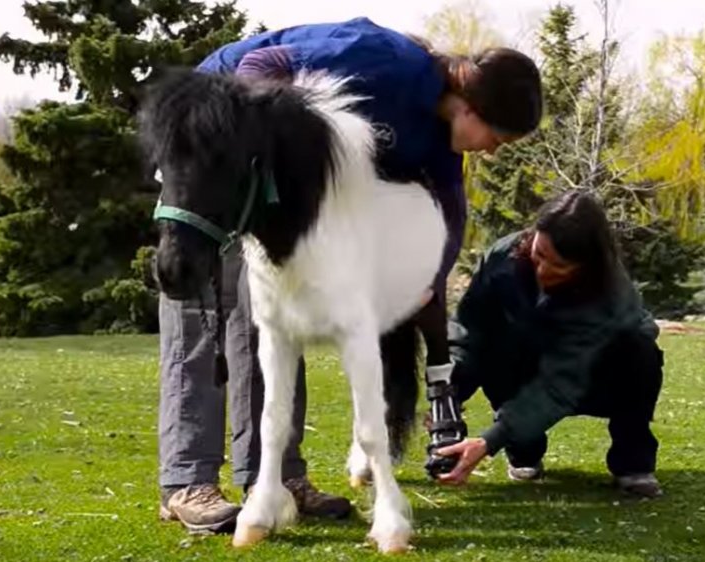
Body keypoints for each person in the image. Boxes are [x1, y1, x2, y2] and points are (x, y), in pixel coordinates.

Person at [157, 16, 543, 533]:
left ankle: (272, 479)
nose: (493, 150)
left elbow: (449, 212)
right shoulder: (383, 58)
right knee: (206, 308)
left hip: (278, 193)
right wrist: (267, 152)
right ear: (473, 106)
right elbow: (262, 66)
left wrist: (428, 278)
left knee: (268, 327)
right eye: (497, 136)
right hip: (213, 144)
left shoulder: (436, 138)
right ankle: (187, 480)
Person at [434, 190, 666, 498]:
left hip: (592, 379)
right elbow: (469, 329)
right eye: (538, 254)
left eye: (558, 266)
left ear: (586, 266)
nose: (542, 271)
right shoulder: (502, 259)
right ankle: (524, 450)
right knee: (500, 343)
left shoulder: (610, 294)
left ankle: (633, 463)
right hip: (523, 363)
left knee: (641, 350)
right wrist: (450, 392)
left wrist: (489, 441)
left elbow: (561, 384)